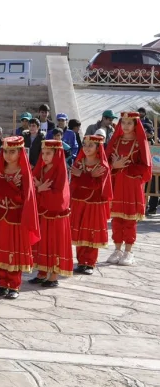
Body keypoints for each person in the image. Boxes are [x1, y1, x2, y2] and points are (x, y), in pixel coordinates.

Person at [0, 136, 40, 300]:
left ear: (20, 153)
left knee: (14, 252)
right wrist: (6, 187)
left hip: (15, 218)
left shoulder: (24, 173)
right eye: (6, 151)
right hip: (0, 217)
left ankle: (14, 285)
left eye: (12, 151)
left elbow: (24, 198)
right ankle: (2, 284)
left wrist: (8, 187)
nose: (8, 155)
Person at [105, 112, 152, 266]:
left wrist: (127, 167)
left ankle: (128, 251)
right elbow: (106, 162)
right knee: (117, 218)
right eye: (123, 123)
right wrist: (114, 166)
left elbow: (145, 167)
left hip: (132, 185)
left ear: (135, 125)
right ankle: (117, 249)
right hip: (117, 183)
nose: (125, 126)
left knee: (130, 219)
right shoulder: (116, 141)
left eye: (129, 123)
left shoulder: (140, 143)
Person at [28, 140, 72, 287]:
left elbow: (60, 196)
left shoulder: (60, 171)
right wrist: (39, 189)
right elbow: (31, 189)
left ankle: (53, 276)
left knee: (53, 244)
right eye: (43, 153)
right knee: (41, 244)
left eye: (49, 153)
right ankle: (41, 272)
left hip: (55, 216)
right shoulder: (40, 169)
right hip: (41, 213)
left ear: (57, 154)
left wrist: (41, 190)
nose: (45, 156)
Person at [70, 134, 113, 275]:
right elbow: (74, 183)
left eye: (91, 145)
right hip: (79, 202)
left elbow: (96, 186)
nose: (87, 148)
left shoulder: (102, 166)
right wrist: (89, 176)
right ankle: (81, 261)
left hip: (95, 204)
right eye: (85, 144)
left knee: (91, 233)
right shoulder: (79, 162)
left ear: (98, 147)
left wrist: (83, 176)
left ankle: (90, 262)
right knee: (80, 231)